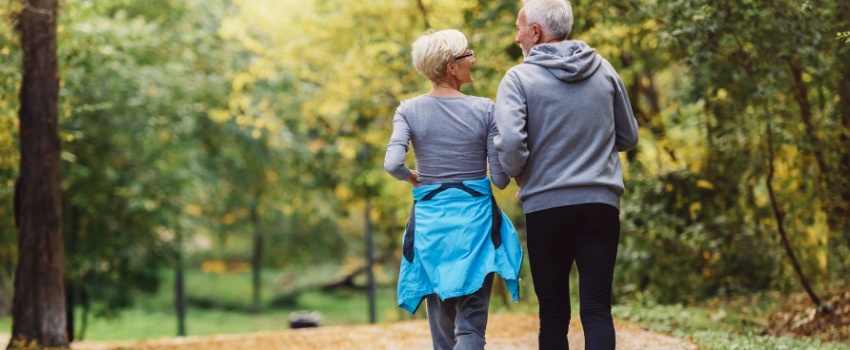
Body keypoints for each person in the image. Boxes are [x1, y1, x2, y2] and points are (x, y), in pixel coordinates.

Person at [493, 0, 639, 349]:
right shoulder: (604, 69)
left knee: (554, 311)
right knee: (597, 308)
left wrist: (520, 175)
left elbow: (511, 144)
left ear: (536, 32)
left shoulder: (518, 78)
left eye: (519, 28)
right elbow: (629, 136)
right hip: (601, 205)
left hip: (546, 206)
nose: (517, 37)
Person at [384, 29, 524, 350]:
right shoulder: (485, 110)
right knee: (471, 329)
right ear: (451, 67)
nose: (472, 59)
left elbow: (392, 164)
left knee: (444, 336)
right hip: (476, 227)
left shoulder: (408, 110)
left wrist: (412, 177)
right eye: (467, 55)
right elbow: (500, 180)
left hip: (431, 228)